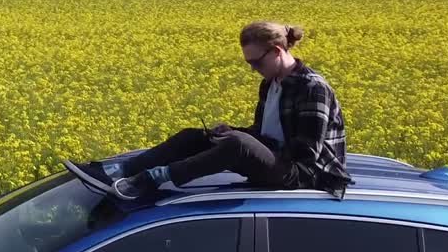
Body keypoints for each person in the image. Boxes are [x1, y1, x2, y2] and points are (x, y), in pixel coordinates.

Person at [67, 21, 352, 201]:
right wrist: (234, 134)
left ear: (278, 51)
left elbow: (306, 153)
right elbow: (265, 133)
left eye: (256, 63)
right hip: (278, 159)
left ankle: (150, 180)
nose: (253, 70)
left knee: (238, 144)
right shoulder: (271, 84)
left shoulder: (312, 88)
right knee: (195, 137)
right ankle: (117, 171)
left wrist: (244, 143)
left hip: (304, 175)